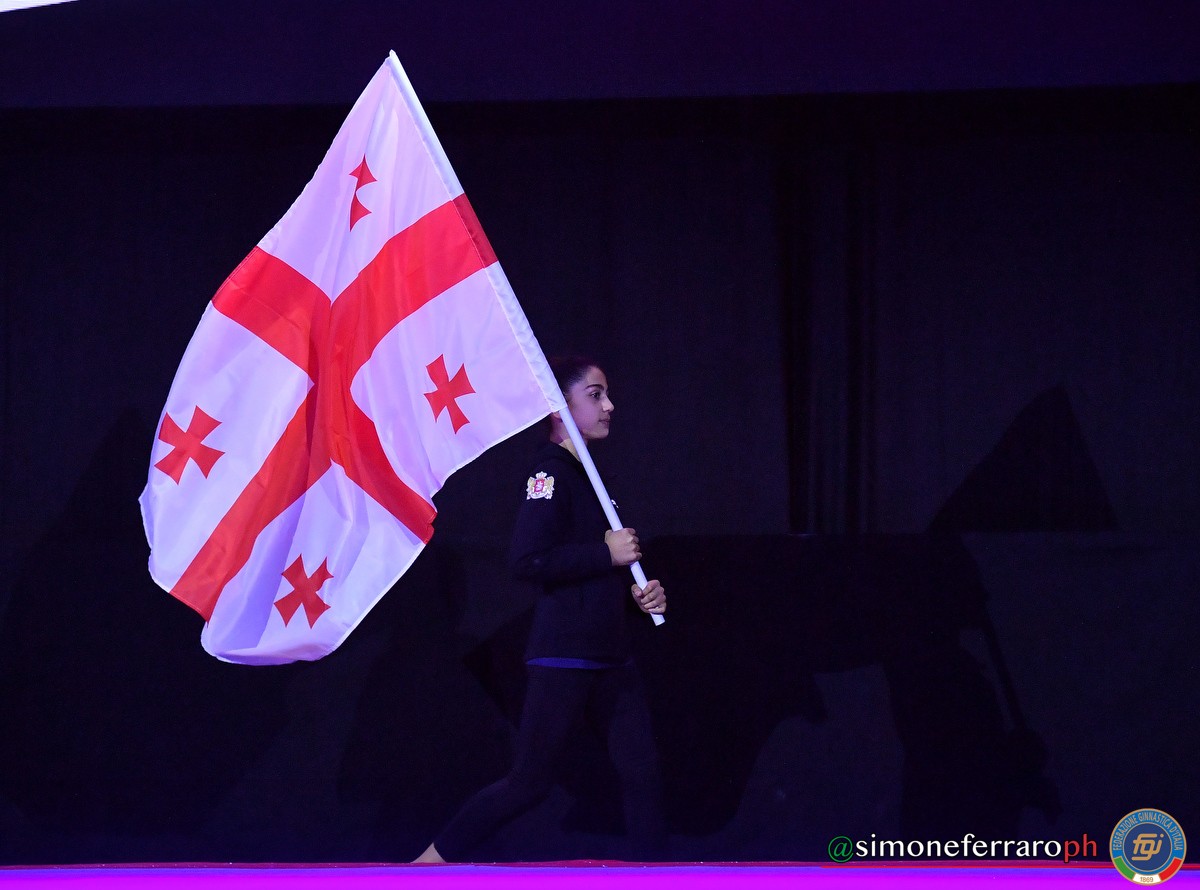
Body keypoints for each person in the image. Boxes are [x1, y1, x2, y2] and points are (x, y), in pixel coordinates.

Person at [414, 356, 668, 863]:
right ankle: (430, 863)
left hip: (611, 654)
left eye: (606, 394)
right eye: (595, 395)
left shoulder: (590, 475)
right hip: (565, 655)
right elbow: (528, 560)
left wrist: (639, 596)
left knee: (643, 775)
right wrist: (605, 554)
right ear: (559, 406)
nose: (609, 406)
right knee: (530, 781)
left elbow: (598, 569)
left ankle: (654, 878)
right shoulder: (549, 473)